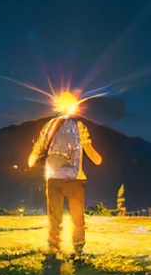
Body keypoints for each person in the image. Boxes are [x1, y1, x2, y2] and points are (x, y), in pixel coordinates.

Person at [28, 92, 102, 256]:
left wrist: (32, 159)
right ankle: (78, 249)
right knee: (77, 219)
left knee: (55, 218)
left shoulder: (49, 125)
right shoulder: (78, 126)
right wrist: (96, 158)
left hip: (54, 177)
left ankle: (55, 249)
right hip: (73, 179)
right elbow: (87, 147)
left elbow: (40, 146)